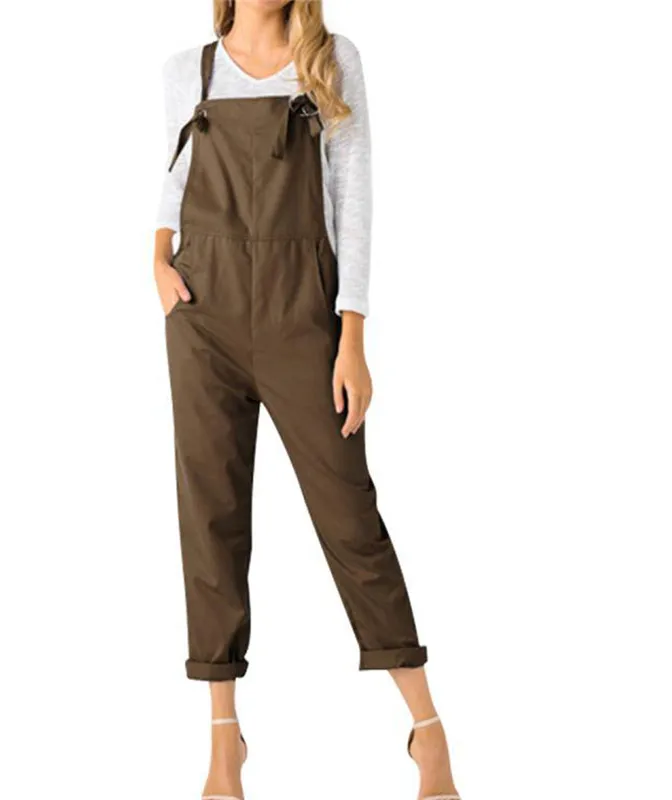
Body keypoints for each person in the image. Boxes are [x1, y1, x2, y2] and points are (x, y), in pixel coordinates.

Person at [154, 2, 461, 799]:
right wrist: (157, 258)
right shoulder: (189, 71)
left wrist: (351, 335)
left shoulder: (330, 57)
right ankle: (224, 741)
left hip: (304, 318)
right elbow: (176, 177)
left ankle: (427, 728)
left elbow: (352, 197)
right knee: (210, 517)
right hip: (204, 314)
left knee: (350, 517)